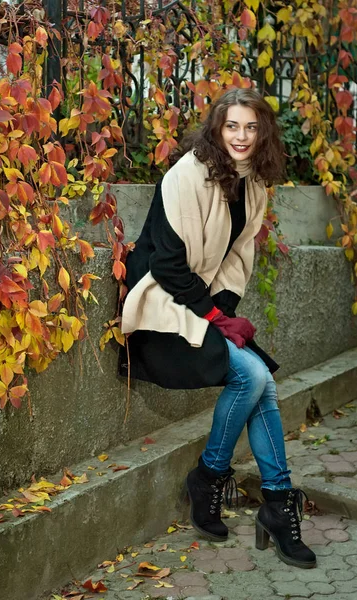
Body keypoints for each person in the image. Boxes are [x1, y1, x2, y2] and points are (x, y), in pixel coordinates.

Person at [120, 88, 316, 569]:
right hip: (158, 310)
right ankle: (216, 481)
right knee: (253, 376)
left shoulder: (254, 186)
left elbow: (236, 261)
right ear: (216, 128)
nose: (242, 136)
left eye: (251, 127)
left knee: (259, 379)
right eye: (232, 126)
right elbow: (166, 264)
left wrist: (221, 313)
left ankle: (271, 499)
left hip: (197, 305)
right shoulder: (186, 176)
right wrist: (215, 319)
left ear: (263, 132)